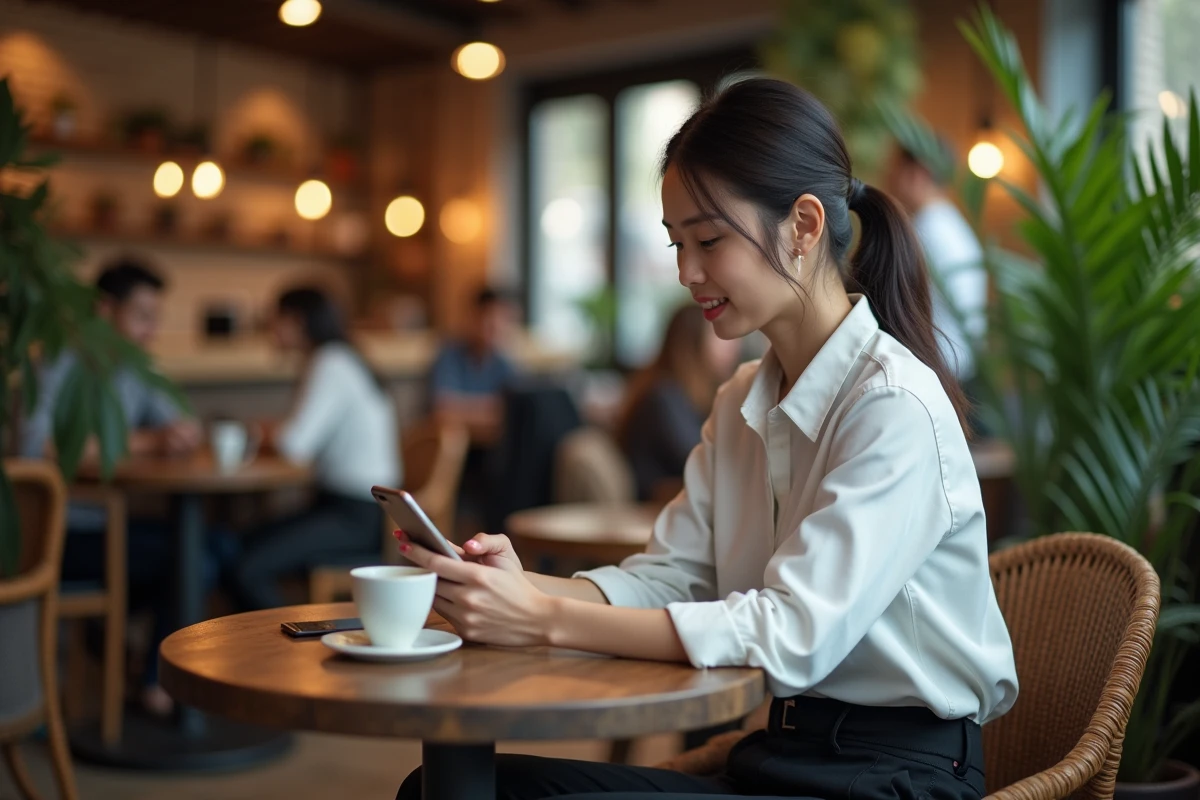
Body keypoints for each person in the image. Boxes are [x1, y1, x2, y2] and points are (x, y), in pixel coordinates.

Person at [395, 77, 1018, 800]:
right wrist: (516, 586)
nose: (686, 273)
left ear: (804, 225)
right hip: (780, 752)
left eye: (709, 240)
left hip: (893, 777)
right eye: (677, 243)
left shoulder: (892, 405)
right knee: (453, 786)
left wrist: (543, 620)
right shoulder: (741, 399)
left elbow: (790, 634)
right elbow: (672, 579)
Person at [22, 256, 206, 716]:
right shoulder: (61, 360)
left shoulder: (133, 367)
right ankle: (155, 680)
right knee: (192, 558)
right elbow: (37, 445)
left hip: (111, 523)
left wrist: (181, 432)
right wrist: (149, 441)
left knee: (212, 548)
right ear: (105, 310)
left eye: (156, 318)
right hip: (59, 531)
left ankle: (146, 673)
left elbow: (179, 422)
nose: (151, 330)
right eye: (143, 316)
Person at [233, 287, 400, 610]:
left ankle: (282, 640)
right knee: (240, 543)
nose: (271, 328)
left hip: (355, 517)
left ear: (296, 321)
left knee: (246, 565)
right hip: (354, 508)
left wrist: (257, 431)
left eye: (275, 319)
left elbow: (294, 444)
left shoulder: (331, 362)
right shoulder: (341, 357)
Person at [886, 142, 987, 388]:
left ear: (918, 173)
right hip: (963, 370)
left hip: (938, 374)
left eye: (896, 169)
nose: (889, 179)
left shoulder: (924, 230)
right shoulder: (952, 223)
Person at [615, 304, 740, 502]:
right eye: (718, 334)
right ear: (691, 340)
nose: (733, 345)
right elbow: (700, 457)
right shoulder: (663, 395)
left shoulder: (693, 394)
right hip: (655, 508)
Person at [428, 287, 519, 447]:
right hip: (456, 447)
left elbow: (518, 409)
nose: (496, 327)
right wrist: (495, 409)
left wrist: (467, 410)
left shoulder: (504, 361)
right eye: (489, 319)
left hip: (493, 446)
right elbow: (444, 411)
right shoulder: (450, 355)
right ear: (473, 318)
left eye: (504, 320)